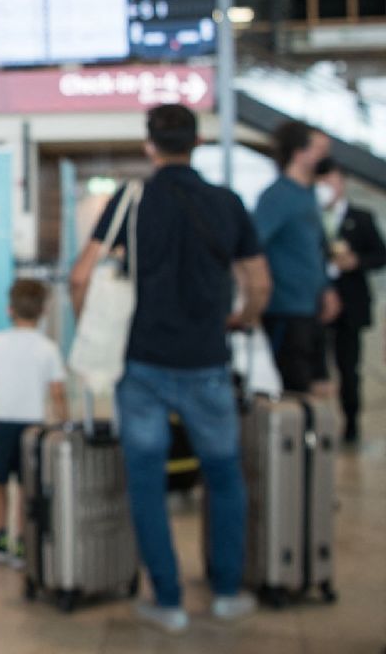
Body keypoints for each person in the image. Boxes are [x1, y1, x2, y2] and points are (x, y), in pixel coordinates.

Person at [70, 105, 272, 633]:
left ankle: (169, 600)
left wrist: (93, 328)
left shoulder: (133, 200)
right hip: (208, 361)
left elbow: (81, 276)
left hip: (142, 364)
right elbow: (259, 282)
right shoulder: (227, 204)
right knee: (224, 476)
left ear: (149, 145)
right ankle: (226, 592)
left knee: (146, 480)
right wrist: (237, 321)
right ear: (198, 141)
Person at [0, 279, 67, 569]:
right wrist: (63, 423)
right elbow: (57, 393)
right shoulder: (48, 348)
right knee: (27, 486)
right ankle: (22, 541)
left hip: (0, 422)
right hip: (33, 426)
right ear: (43, 311)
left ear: (9, 309)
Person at [253, 121, 341, 394]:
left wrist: (326, 289)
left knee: (321, 385)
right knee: (297, 388)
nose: (326, 156)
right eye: (319, 149)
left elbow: (313, 249)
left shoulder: (308, 195)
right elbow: (253, 245)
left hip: (309, 308)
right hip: (286, 310)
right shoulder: (277, 197)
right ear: (299, 152)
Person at [315, 157, 386, 444]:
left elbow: (380, 255)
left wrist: (356, 261)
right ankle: (319, 425)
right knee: (317, 367)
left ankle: (351, 422)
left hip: (351, 303)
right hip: (315, 303)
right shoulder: (309, 217)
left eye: (333, 181)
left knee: (348, 367)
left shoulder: (362, 217)